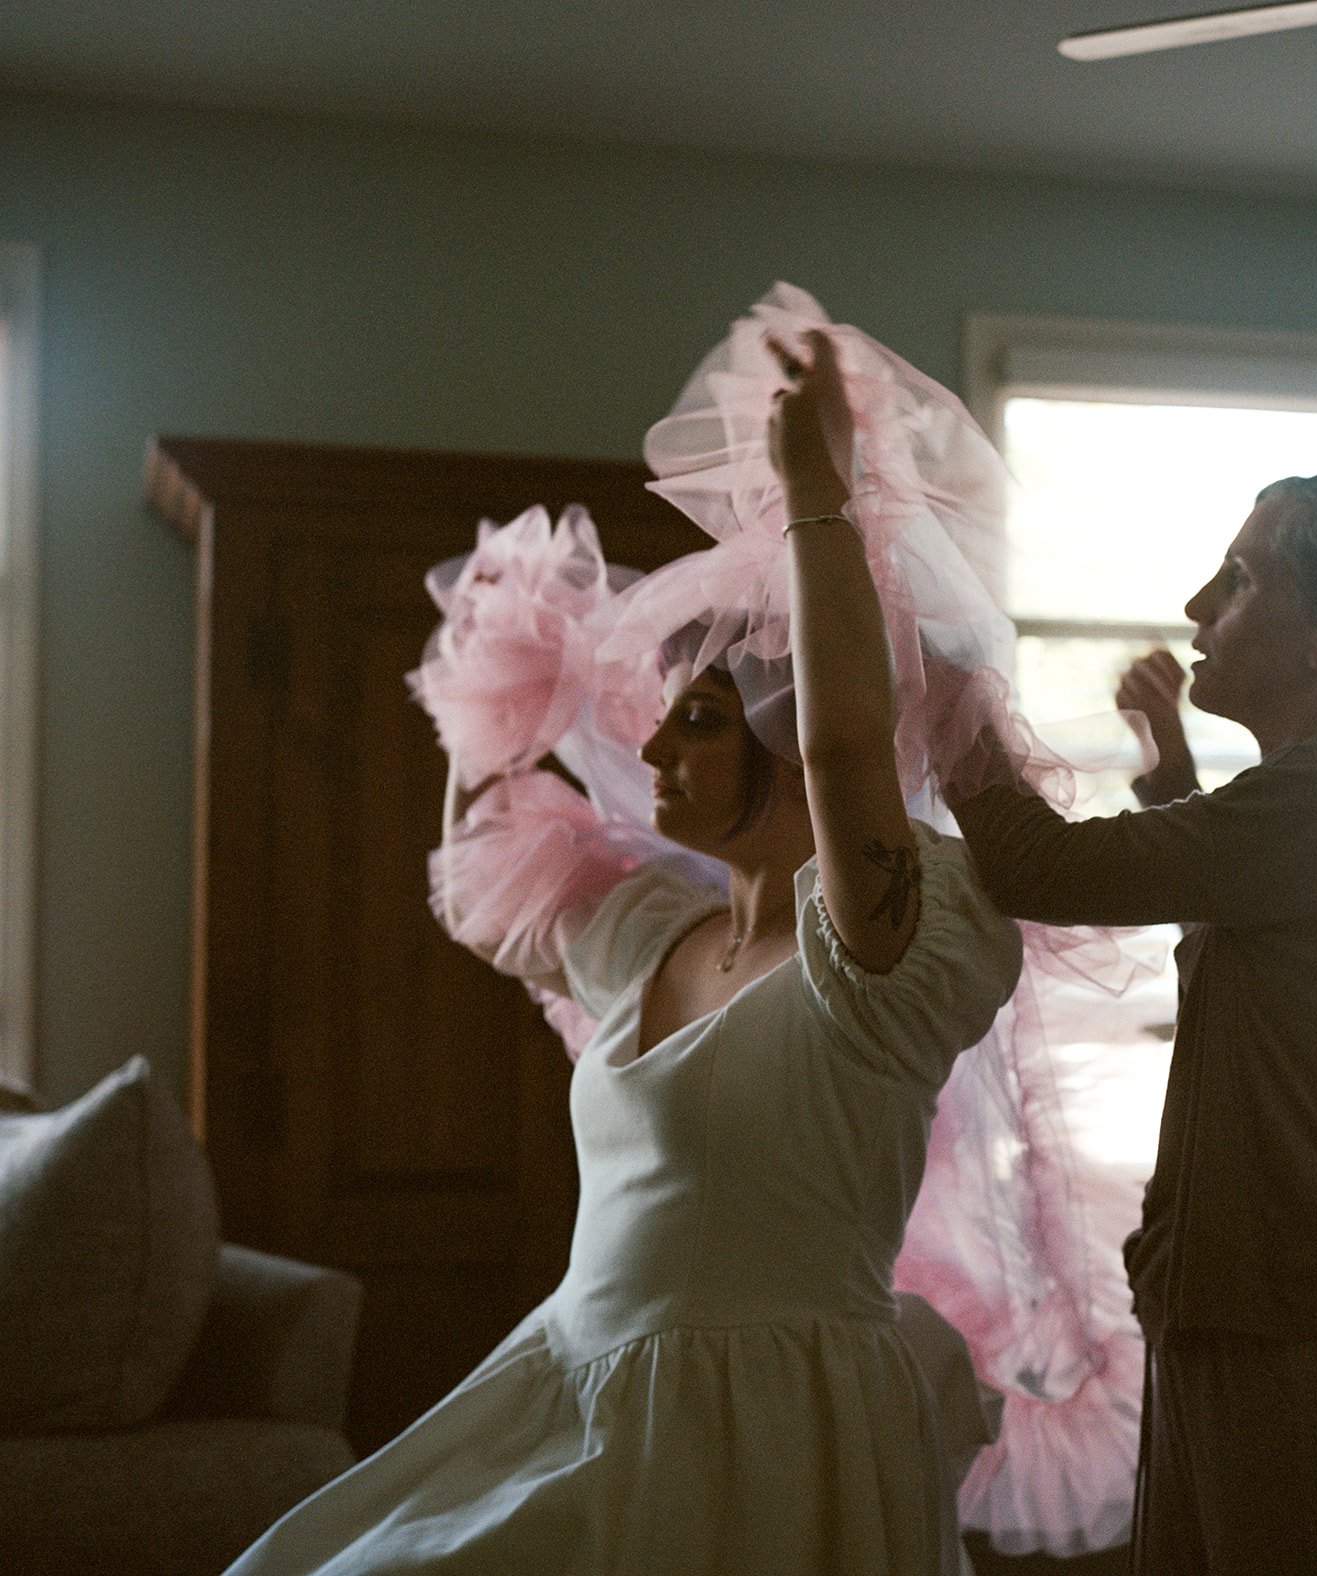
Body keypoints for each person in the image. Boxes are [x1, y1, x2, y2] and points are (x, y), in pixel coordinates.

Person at [221, 303, 1054, 1576]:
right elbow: (479, 870)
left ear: (787, 745)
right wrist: (518, 667)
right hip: (580, 1384)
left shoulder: (889, 957)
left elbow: (846, 743)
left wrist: (816, 501)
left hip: (766, 1425)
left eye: (702, 721)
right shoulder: (653, 939)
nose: (654, 749)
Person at [945, 469, 1317, 1574]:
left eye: (1240, 578)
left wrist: (940, 693)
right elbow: (1251, 920)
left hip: (1312, 1354)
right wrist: (1169, 778)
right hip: (1263, 1332)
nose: (1195, 606)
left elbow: (1037, 864)